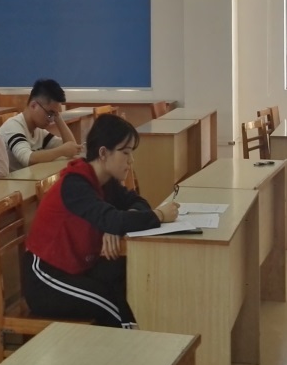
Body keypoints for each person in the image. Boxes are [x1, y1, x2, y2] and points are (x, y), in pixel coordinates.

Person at [23, 114, 179, 328]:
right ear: (104, 153)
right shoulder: (76, 184)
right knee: (108, 303)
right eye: (126, 153)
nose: (131, 161)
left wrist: (113, 227)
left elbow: (137, 202)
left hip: (77, 268)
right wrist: (159, 215)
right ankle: (134, 343)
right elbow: (113, 219)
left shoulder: (106, 181)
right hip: (47, 278)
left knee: (126, 272)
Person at [0, 78, 80, 170]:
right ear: (33, 105)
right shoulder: (13, 126)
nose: (51, 120)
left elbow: (72, 147)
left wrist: (58, 117)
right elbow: (28, 159)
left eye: (54, 115)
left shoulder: (38, 131)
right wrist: (61, 151)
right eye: (49, 114)